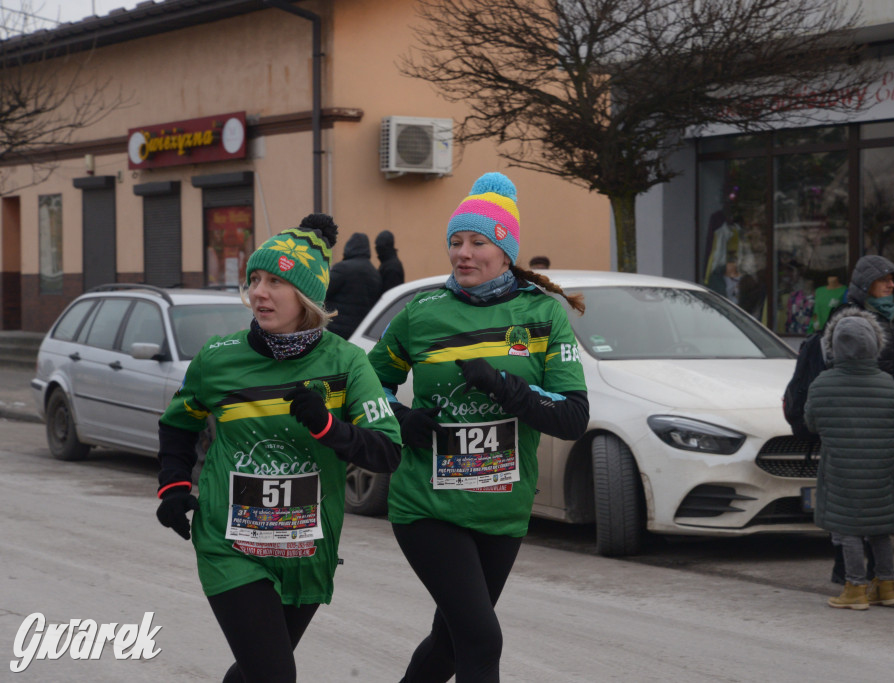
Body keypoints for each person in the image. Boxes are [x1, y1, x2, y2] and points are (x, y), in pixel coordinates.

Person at [154, 214, 402, 683]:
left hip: (306, 548)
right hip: (230, 545)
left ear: (306, 296)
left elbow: (387, 452)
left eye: (276, 281)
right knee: (273, 675)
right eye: (255, 279)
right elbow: (177, 426)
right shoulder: (218, 358)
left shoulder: (346, 363)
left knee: (255, 672)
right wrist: (173, 486)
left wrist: (328, 426)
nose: (259, 292)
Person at [367, 172, 589, 682]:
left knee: (450, 643)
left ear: (506, 251)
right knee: (482, 640)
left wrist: (504, 386)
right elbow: (366, 392)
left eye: (477, 242)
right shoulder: (420, 314)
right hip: (427, 504)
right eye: (455, 241)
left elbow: (573, 416)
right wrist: (401, 420)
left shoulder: (541, 317)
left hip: (502, 506)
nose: (462, 253)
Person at [805, 309, 894, 609]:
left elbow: (812, 423)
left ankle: (855, 588)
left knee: (847, 528)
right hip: (880, 470)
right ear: (875, 345)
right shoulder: (888, 385)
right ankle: (886, 586)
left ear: (834, 346)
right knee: (879, 530)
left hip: (840, 469)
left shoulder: (823, 384)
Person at [827, 254, 894, 585]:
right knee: (850, 503)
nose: (892, 285)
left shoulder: (889, 319)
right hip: (856, 425)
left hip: (884, 422)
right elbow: (837, 376)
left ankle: (880, 571)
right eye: (884, 280)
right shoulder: (850, 321)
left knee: (876, 498)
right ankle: (847, 569)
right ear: (866, 286)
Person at [325, 231, 382, 339]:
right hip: (360, 332)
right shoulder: (374, 273)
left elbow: (323, 291)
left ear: (349, 247)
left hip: (336, 328)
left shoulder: (342, 268)